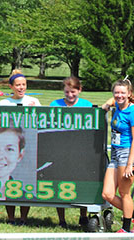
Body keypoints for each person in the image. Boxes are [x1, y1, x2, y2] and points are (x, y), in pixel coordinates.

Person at [101, 78, 134, 233]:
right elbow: (113, 100)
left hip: (129, 154)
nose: (119, 95)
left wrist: (130, 164)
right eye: (116, 93)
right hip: (115, 154)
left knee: (124, 193)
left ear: (129, 94)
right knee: (107, 194)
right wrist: (108, 104)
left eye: (123, 93)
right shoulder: (118, 104)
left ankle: (126, 228)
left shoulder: (133, 111)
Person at [49, 76, 92, 229]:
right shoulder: (55, 105)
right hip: (60, 152)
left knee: (82, 184)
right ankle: (61, 219)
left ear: (79, 90)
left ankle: (83, 216)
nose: (70, 95)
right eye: (67, 92)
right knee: (60, 184)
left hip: (81, 152)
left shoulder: (87, 105)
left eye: (73, 92)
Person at [0, 69, 40, 225]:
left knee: (25, 181)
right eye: (18, 85)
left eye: (24, 85)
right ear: (11, 87)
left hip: (27, 148)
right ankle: (10, 217)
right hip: (8, 149)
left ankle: (23, 217)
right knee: (9, 181)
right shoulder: (4, 103)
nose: (21, 88)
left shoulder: (34, 102)